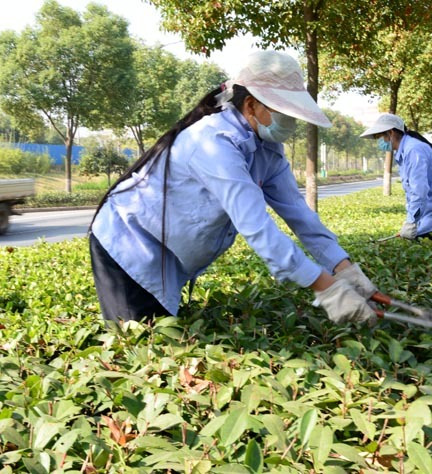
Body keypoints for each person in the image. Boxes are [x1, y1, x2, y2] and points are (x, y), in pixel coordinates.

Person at [89, 50, 377, 325]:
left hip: (168, 253)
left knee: (162, 336)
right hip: (129, 244)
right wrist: (325, 287)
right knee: (140, 346)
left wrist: (344, 269)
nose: (289, 121)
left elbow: (300, 215)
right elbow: (256, 225)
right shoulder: (213, 141)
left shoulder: (269, 149)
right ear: (251, 104)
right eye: (282, 110)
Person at [360, 114, 432, 239]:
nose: (380, 142)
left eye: (381, 137)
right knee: (412, 238)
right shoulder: (407, 149)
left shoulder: (413, 150)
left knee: (416, 243)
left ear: (391, 133)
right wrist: (413, 222)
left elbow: (418, 191)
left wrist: (411, 223)